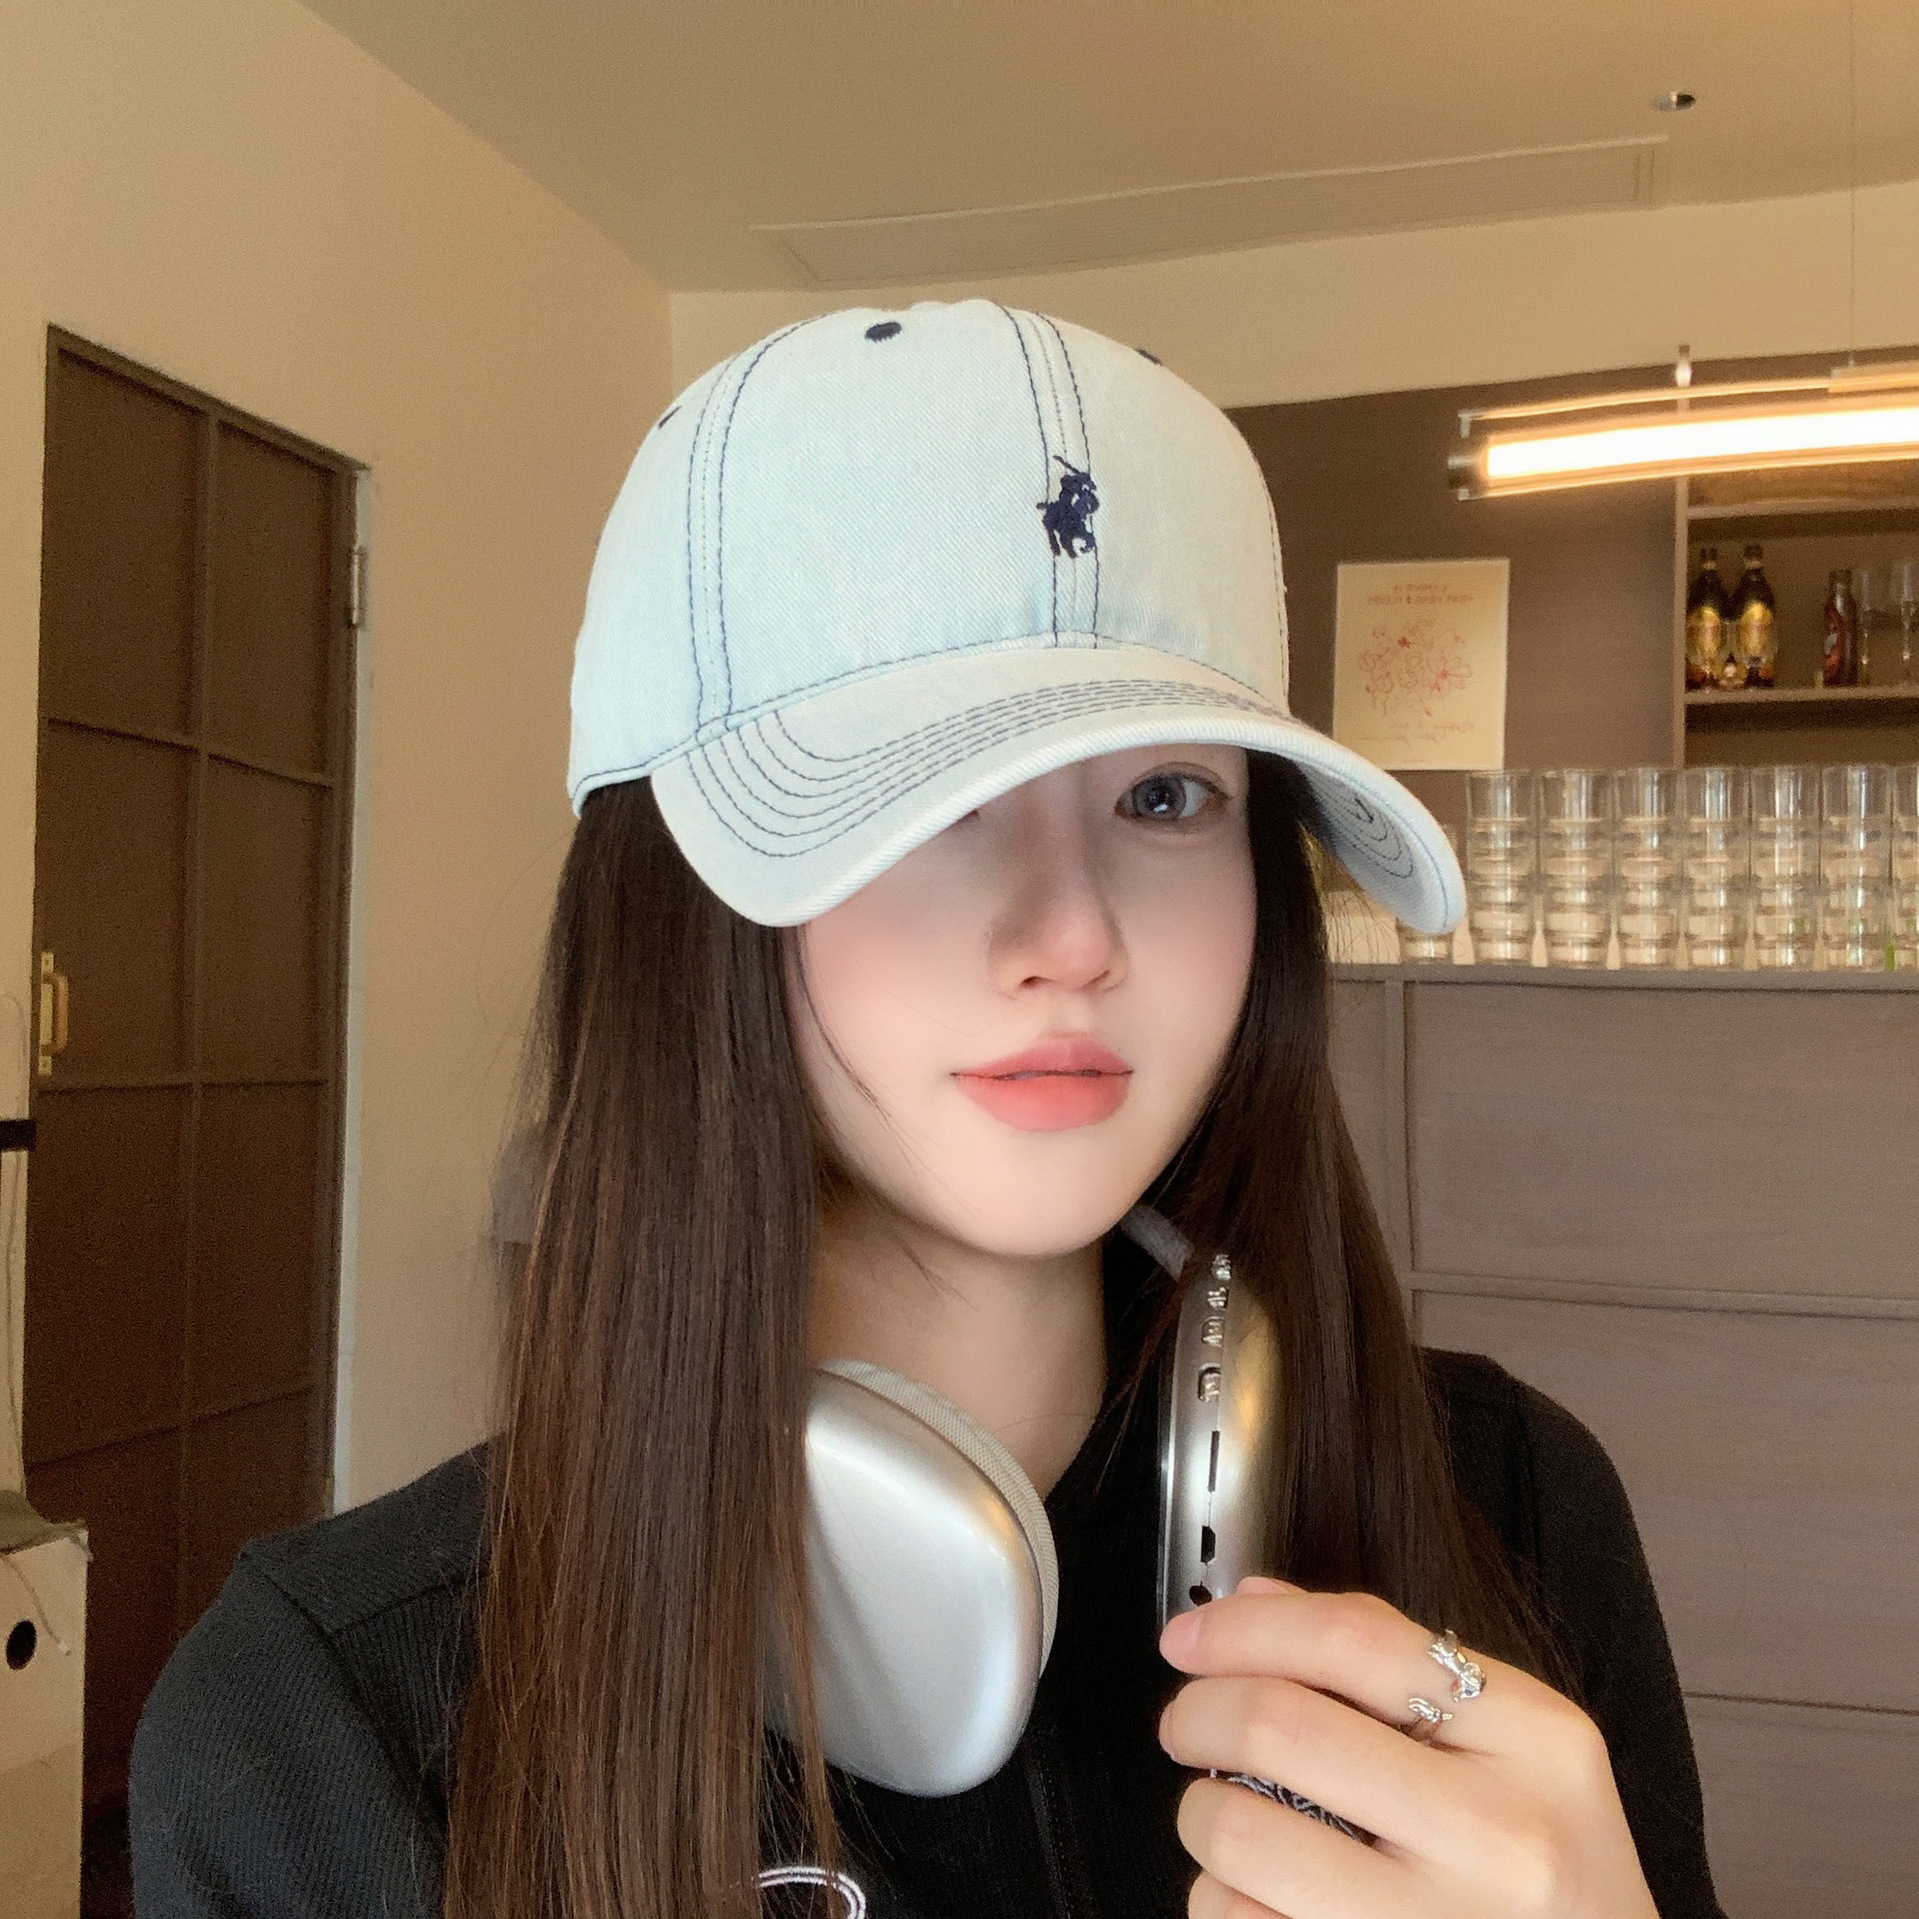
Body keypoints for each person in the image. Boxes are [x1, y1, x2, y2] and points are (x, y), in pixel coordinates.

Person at [130, 300, 1726, 1919]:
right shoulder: (323, 1735)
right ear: (677, 902)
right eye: (930, 798)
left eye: (1165, 795)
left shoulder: (1513, 1504)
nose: (1074, 937)